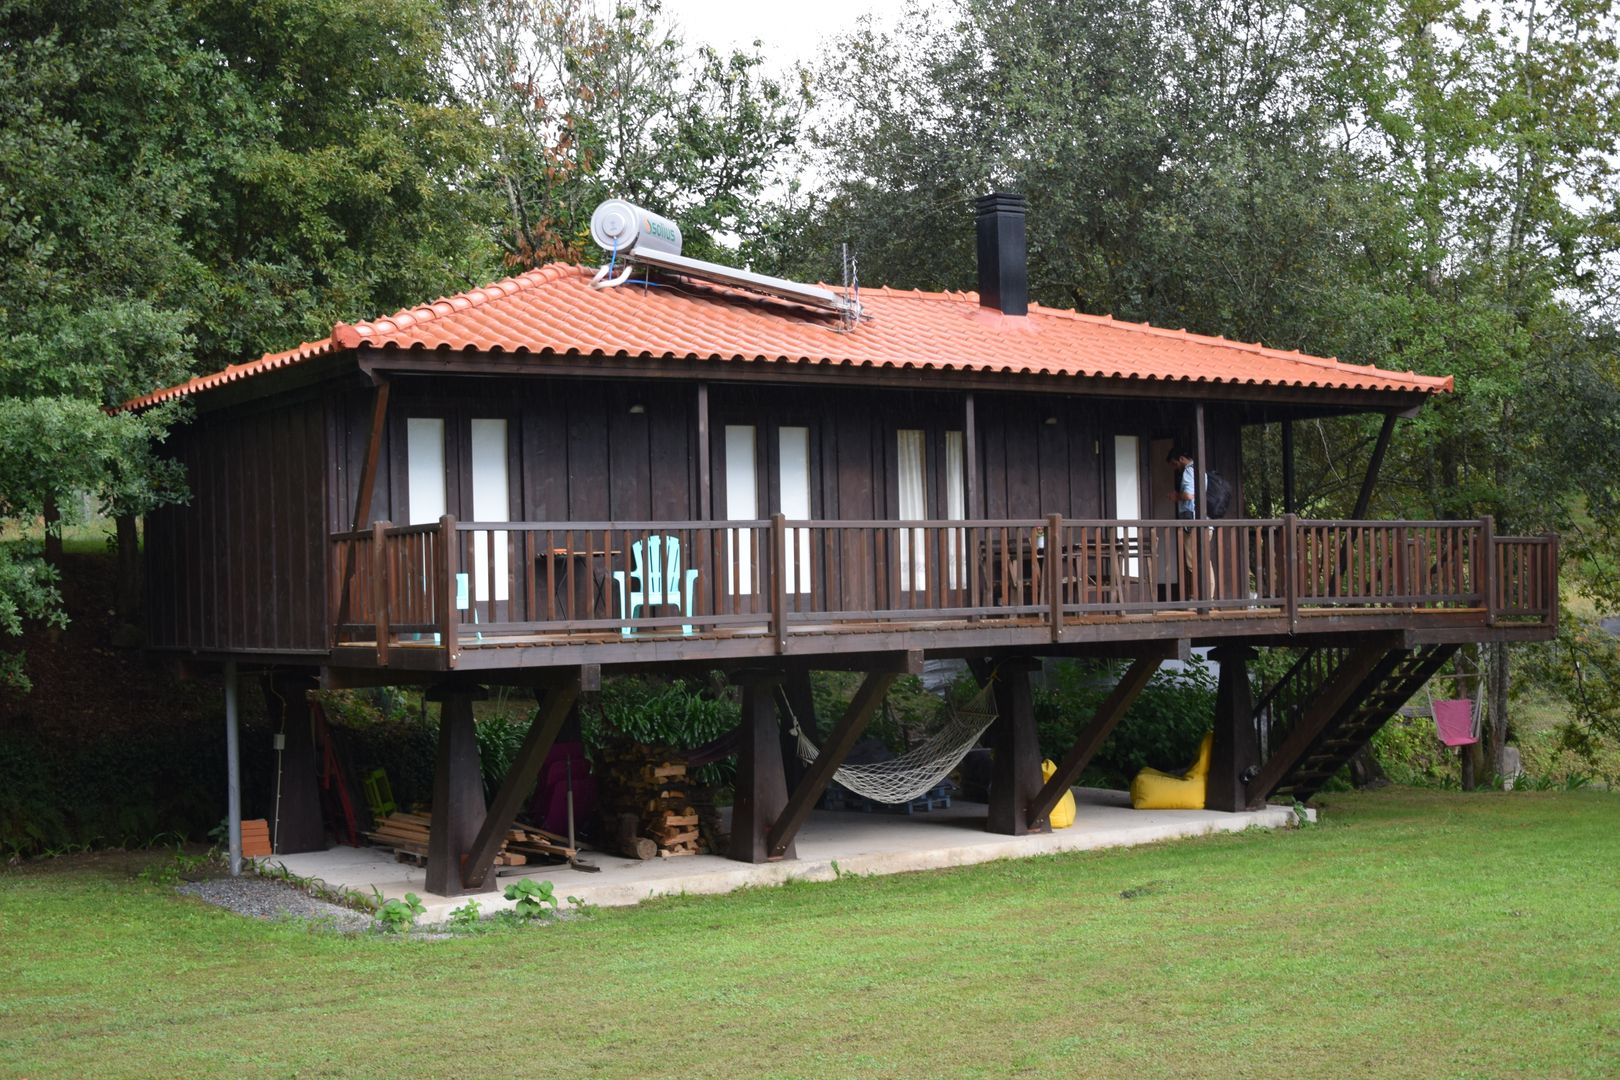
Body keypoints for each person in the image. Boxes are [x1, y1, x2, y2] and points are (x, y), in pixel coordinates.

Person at [1166, 446, 1204, 601]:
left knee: (1192, 561)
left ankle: (1200, 598)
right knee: (1203, 560)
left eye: (1175, 464)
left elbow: (1188, 495)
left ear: (1181, 459)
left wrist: (1177, 497)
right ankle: (1207, 597)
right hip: (1204, 520)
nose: (1175, 468)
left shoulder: (1188, 471)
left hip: (1193, 521)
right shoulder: (1201, 470)